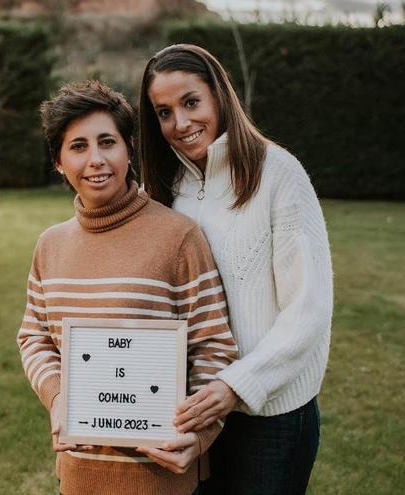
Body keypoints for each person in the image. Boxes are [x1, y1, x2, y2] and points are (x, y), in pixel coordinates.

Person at [16, 80, 238, 495]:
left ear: (129, 149)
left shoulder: (179, 237)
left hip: (164, 479)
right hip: (80, 476)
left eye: (107, 142)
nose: (96, 160)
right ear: (59, 162)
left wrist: (199, 435)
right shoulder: (50, 245)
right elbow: (34, 337)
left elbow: (215, 347)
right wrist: (58, 396)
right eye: (78, 147)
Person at [138, 44, 334, 495]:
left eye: (191, 102)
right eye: (164, 112)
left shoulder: (278, 173)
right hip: (198, 413)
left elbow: (308, 309)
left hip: (270, 419)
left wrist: (236, 385)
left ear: (219, 95)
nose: (181, 123)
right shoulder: (167, 187)